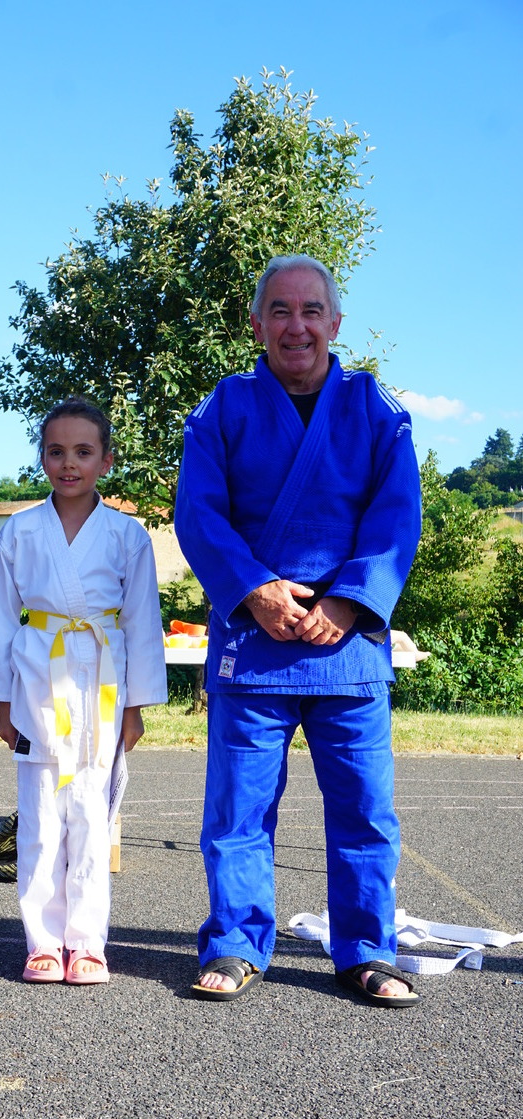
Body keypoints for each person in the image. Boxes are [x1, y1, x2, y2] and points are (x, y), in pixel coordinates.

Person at [174, 254, 422, 1008]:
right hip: (255, 642)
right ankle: (236, 943)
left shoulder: (374, 409)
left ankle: (367, 950)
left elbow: (396, 518)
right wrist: (254, 590)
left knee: (364, 812)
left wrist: (349, 602)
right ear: (256, 324)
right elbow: (199, 514)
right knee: (238, 813)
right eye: (279, 311)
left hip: (347, 645)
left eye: (311, 310)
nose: (296, 326)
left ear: (334, 323)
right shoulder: (222, 407)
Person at [0, 399, 167, 984]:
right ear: (42, 459)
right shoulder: (21, 529)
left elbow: (142, 623)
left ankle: (87, 942)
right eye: (56, 452)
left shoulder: (127, 535)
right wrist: (1, 703)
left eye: (83, 451)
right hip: (37, 675)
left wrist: (135, 708)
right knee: (39, 818)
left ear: (107, 460)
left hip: (102, 678)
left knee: (91, 817)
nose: (69, 464)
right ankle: (43, 942)